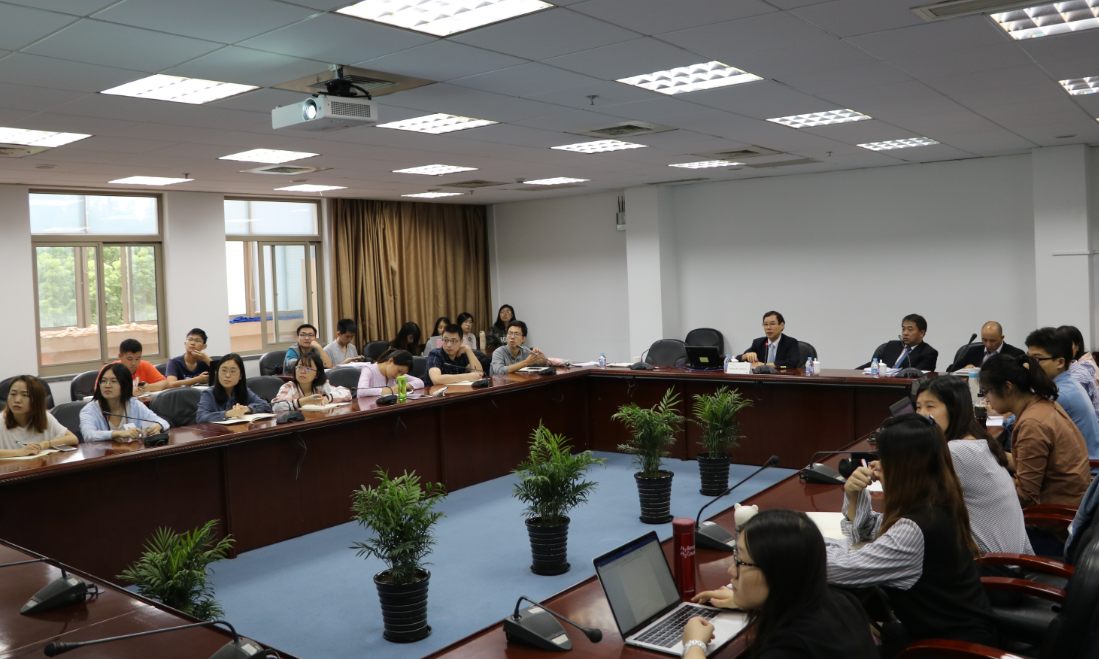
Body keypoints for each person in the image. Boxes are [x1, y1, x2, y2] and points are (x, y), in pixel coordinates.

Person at [826, 414, 997, 658]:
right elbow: (871, 531)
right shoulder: (938, 500)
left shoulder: (914, 528)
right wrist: (854, 496)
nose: (877, 466)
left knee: (834, 634)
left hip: (950, 648)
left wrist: (804, 541)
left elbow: (839, 569)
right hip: (955, 632)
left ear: (904, 465)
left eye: (884, 458)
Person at [685, 509, 878, 659]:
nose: (731, 571)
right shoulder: (842, 602)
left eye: (741, 562)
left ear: (777, 573)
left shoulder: (789, 648)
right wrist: (748, 600)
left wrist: (694, 644)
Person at [980, 353, 1090, 556]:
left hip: (1054, 532)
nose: (986, 399)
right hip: (1068, 518)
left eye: (987, 391)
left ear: (1007, 387)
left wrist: (987, 476)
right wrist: (992, 455)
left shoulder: (1032, 424)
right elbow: (1026, 464)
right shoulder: (1042, 405)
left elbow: (1024, 495)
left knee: (974, 537)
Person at [916, 377, 1033, 558]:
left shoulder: (956, 451)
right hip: (1010, 559)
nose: (922, 414)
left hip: (992, 565)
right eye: (918, 407)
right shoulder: (976, 440)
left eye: (930, 406)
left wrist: (891, 475)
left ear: (954, 409)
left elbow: (918, 501)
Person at [1025, 327, 1099, 460]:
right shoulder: (1060, 383)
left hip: (1085, 468)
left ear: (1060, 362)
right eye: (1028, 359)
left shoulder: (1061, 393)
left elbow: (1020, 422)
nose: (1029, 366)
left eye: (1036, 359)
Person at [80, 363, 170, 442]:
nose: (107, 385)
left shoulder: (133, 404)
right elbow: (89, 435)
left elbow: (162, 422)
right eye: (103, 381)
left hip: (132, 452)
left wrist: (158, 426)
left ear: (125, 385)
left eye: (113, 381)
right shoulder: (89, 410)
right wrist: (118, 433)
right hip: (103, 454)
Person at [0, 375, 78, 457]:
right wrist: (20, 452)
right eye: (13, 394)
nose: (17, 400)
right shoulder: (1, 420)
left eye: (25, 395)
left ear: (36, 400)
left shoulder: (45, 417)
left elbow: (73, 438)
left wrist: (44, 444)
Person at [197, 354, 273, 423]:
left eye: (232, 371)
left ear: (240, 376)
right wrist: (227, 414)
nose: (227, 375)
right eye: (223, 370)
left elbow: (265, 405)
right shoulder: (208, 393)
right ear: (217, 373)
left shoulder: (244, 391)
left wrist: (247, 409)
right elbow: (200, 418)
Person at [272, 352, 351, 412]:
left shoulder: (321, 386)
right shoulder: (289, 387)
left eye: (308, 368)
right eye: (299, 367)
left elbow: (347, 393)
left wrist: (328, 398)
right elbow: (277, 406)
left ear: (317, 374)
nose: (302, 371)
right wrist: (306, 401)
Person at [99, 338, 168, 396]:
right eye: (130, 359)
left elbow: (165, 383)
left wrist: (149, 387)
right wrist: (128, 392)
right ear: (120, 356)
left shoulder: (145, 365)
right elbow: (99, 391)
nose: (134, 363)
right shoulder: (109, 370)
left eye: (137, 359)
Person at [946, 321, 1024, 372]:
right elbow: (950, 369)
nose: (988, 344)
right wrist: (964, 369)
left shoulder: (1015, 354)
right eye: (984, 340)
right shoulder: (973, 352)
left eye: (992, 341)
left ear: (1002, 337)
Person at [736, 311, 801, 369]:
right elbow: (736, 359)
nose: (768, 328)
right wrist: (745, 356)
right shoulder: (758, 343)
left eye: (772, 324)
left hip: (781, 377)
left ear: (782, 325)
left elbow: (793, 362)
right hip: (762, 378)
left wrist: (765, 365)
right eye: (766, 324)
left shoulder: (790, 342)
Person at [1058, 325, 1099, 418]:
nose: (1061, 349)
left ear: (1078, 346)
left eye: (1066, 344)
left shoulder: (1084, 368)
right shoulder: (1075, 362)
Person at [356, 348, 425, 397]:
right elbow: (361, 391)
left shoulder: (395, 375)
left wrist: (402, 386)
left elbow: (420, 382)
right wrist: (391, 390)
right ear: (390, 361)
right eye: (399, 371)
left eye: (402, 374)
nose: (399, 376)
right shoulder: (369, 369)